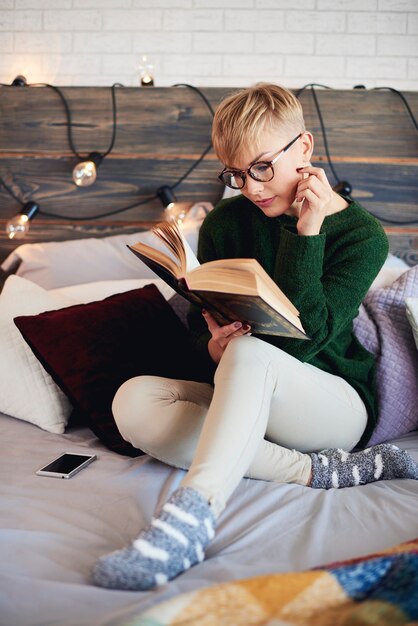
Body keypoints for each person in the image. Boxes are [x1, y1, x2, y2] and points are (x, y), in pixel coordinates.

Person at [92, 83, 418, 591]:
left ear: (304, 148)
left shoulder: (361, 235)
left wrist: (306, 235)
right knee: (133, 400)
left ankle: (190, 520)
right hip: (246, 392)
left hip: (331, 406)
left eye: (262, 167)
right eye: (236, 175)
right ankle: (324, 473)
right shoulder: (226, 222)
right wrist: (212, 348)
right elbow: (211, 328)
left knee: (252, 351)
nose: (251, 187)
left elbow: (307, 340)